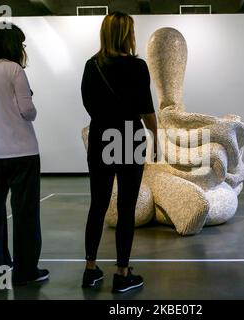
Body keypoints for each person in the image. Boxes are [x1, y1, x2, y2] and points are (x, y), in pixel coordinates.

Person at [81, 12, 158, 293]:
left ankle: (90, 269)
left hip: (101, 136)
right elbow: (147, 109)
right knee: (126, 208)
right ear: (128, 34)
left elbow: (88, 104)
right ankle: (122, 273)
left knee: (97, 205)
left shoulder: (92, 65)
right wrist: (156, 137)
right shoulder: (137, 67)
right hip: (129, 136)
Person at [0, 23, 49, 285]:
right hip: (22, 152)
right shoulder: (14, 70)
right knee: (25, 213)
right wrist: (27, 98)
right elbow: (28, 112)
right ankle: (26, 271)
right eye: (21, 44)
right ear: (13, 45)